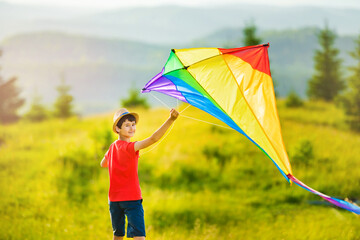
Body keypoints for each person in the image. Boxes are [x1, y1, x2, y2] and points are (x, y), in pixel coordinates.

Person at [100, 107, 179, 240]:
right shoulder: (130, 147)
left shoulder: (112, 147)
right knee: (139, 237)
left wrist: (116, 161)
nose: (131, 128)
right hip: (131, 199)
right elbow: (153, 139)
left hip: (114, 200)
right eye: (127, 125)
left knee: (118, 236)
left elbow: (103, 163)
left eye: (133, 124)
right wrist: (171, 119)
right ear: (117, 129)